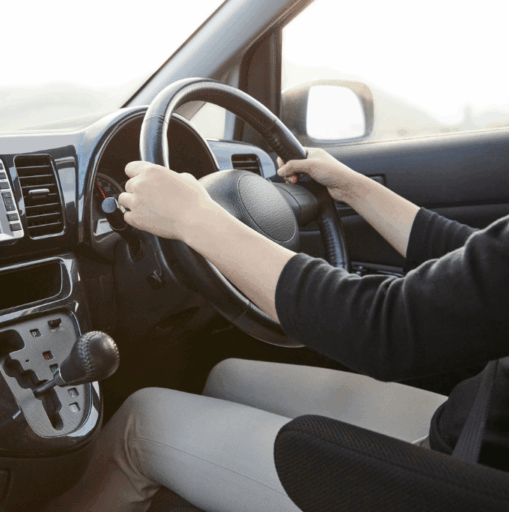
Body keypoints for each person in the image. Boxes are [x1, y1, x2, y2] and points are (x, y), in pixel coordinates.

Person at [47, 148, 509, 511]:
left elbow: (385, 328)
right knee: (227, 375)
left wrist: (194, 218)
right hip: (479, 426)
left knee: (140, 420)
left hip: (461, 486)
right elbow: (481, 270)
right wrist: (356, 191)